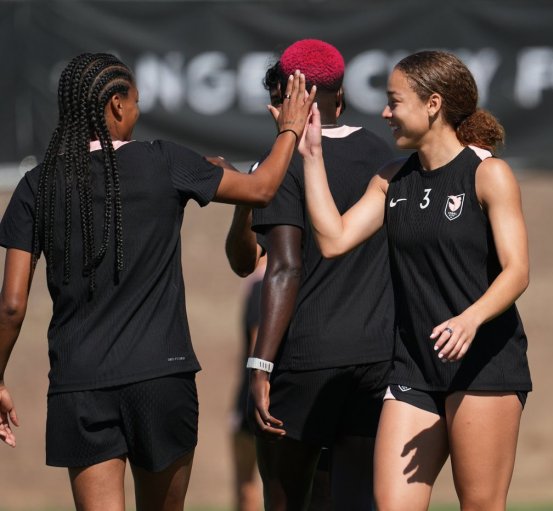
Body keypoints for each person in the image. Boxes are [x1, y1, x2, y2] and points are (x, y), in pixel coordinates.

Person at [0, 52, 314, 511]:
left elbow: (11, 305)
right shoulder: (164, 160)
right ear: (116, 105)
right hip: (162, 379)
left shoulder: (36, 185)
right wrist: (290, 128)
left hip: (80, 385)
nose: (138, 110)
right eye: (136, 101)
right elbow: (262, 188)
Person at [299, 50, 532, 511]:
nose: (385, 113)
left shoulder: (488, 175)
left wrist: (469, 320)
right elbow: (333, 240)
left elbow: (517, 271)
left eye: (394, 102)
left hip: (483, 364)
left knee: (481, 504)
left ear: (433, 104)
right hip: (413, 369)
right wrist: (311, 156)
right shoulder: (390, 180)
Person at [225, 39, 395, 511]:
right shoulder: (383, 155)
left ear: (293, 99)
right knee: (353, 501)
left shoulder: (279, 164)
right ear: (341, 95)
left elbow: (272, 265)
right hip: (376, 359)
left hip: (304, 361)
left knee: (285, 501)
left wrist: (260, 366)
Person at [230, 257, 267, 511]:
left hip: (255, 394)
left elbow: (258, 343)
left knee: (246, 484)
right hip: (266, 392)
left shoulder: (260, 284)